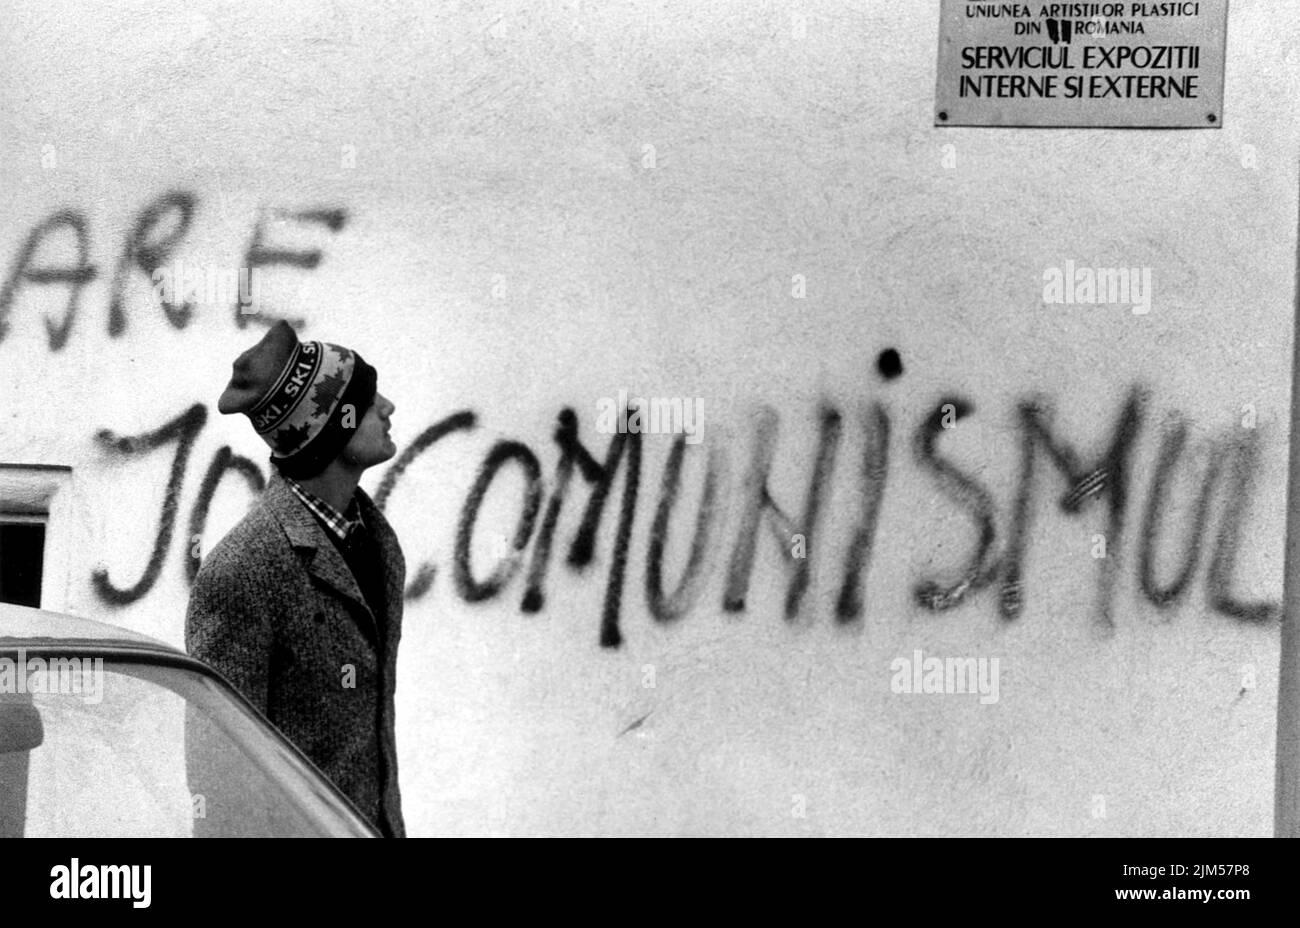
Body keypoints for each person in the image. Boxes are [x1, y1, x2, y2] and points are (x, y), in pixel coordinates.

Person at [185, 320, 405, 837]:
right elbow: (222, 777)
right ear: (330, 427)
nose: (388, 407)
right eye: (367, 399)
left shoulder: (379, 543)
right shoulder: (244, 568)